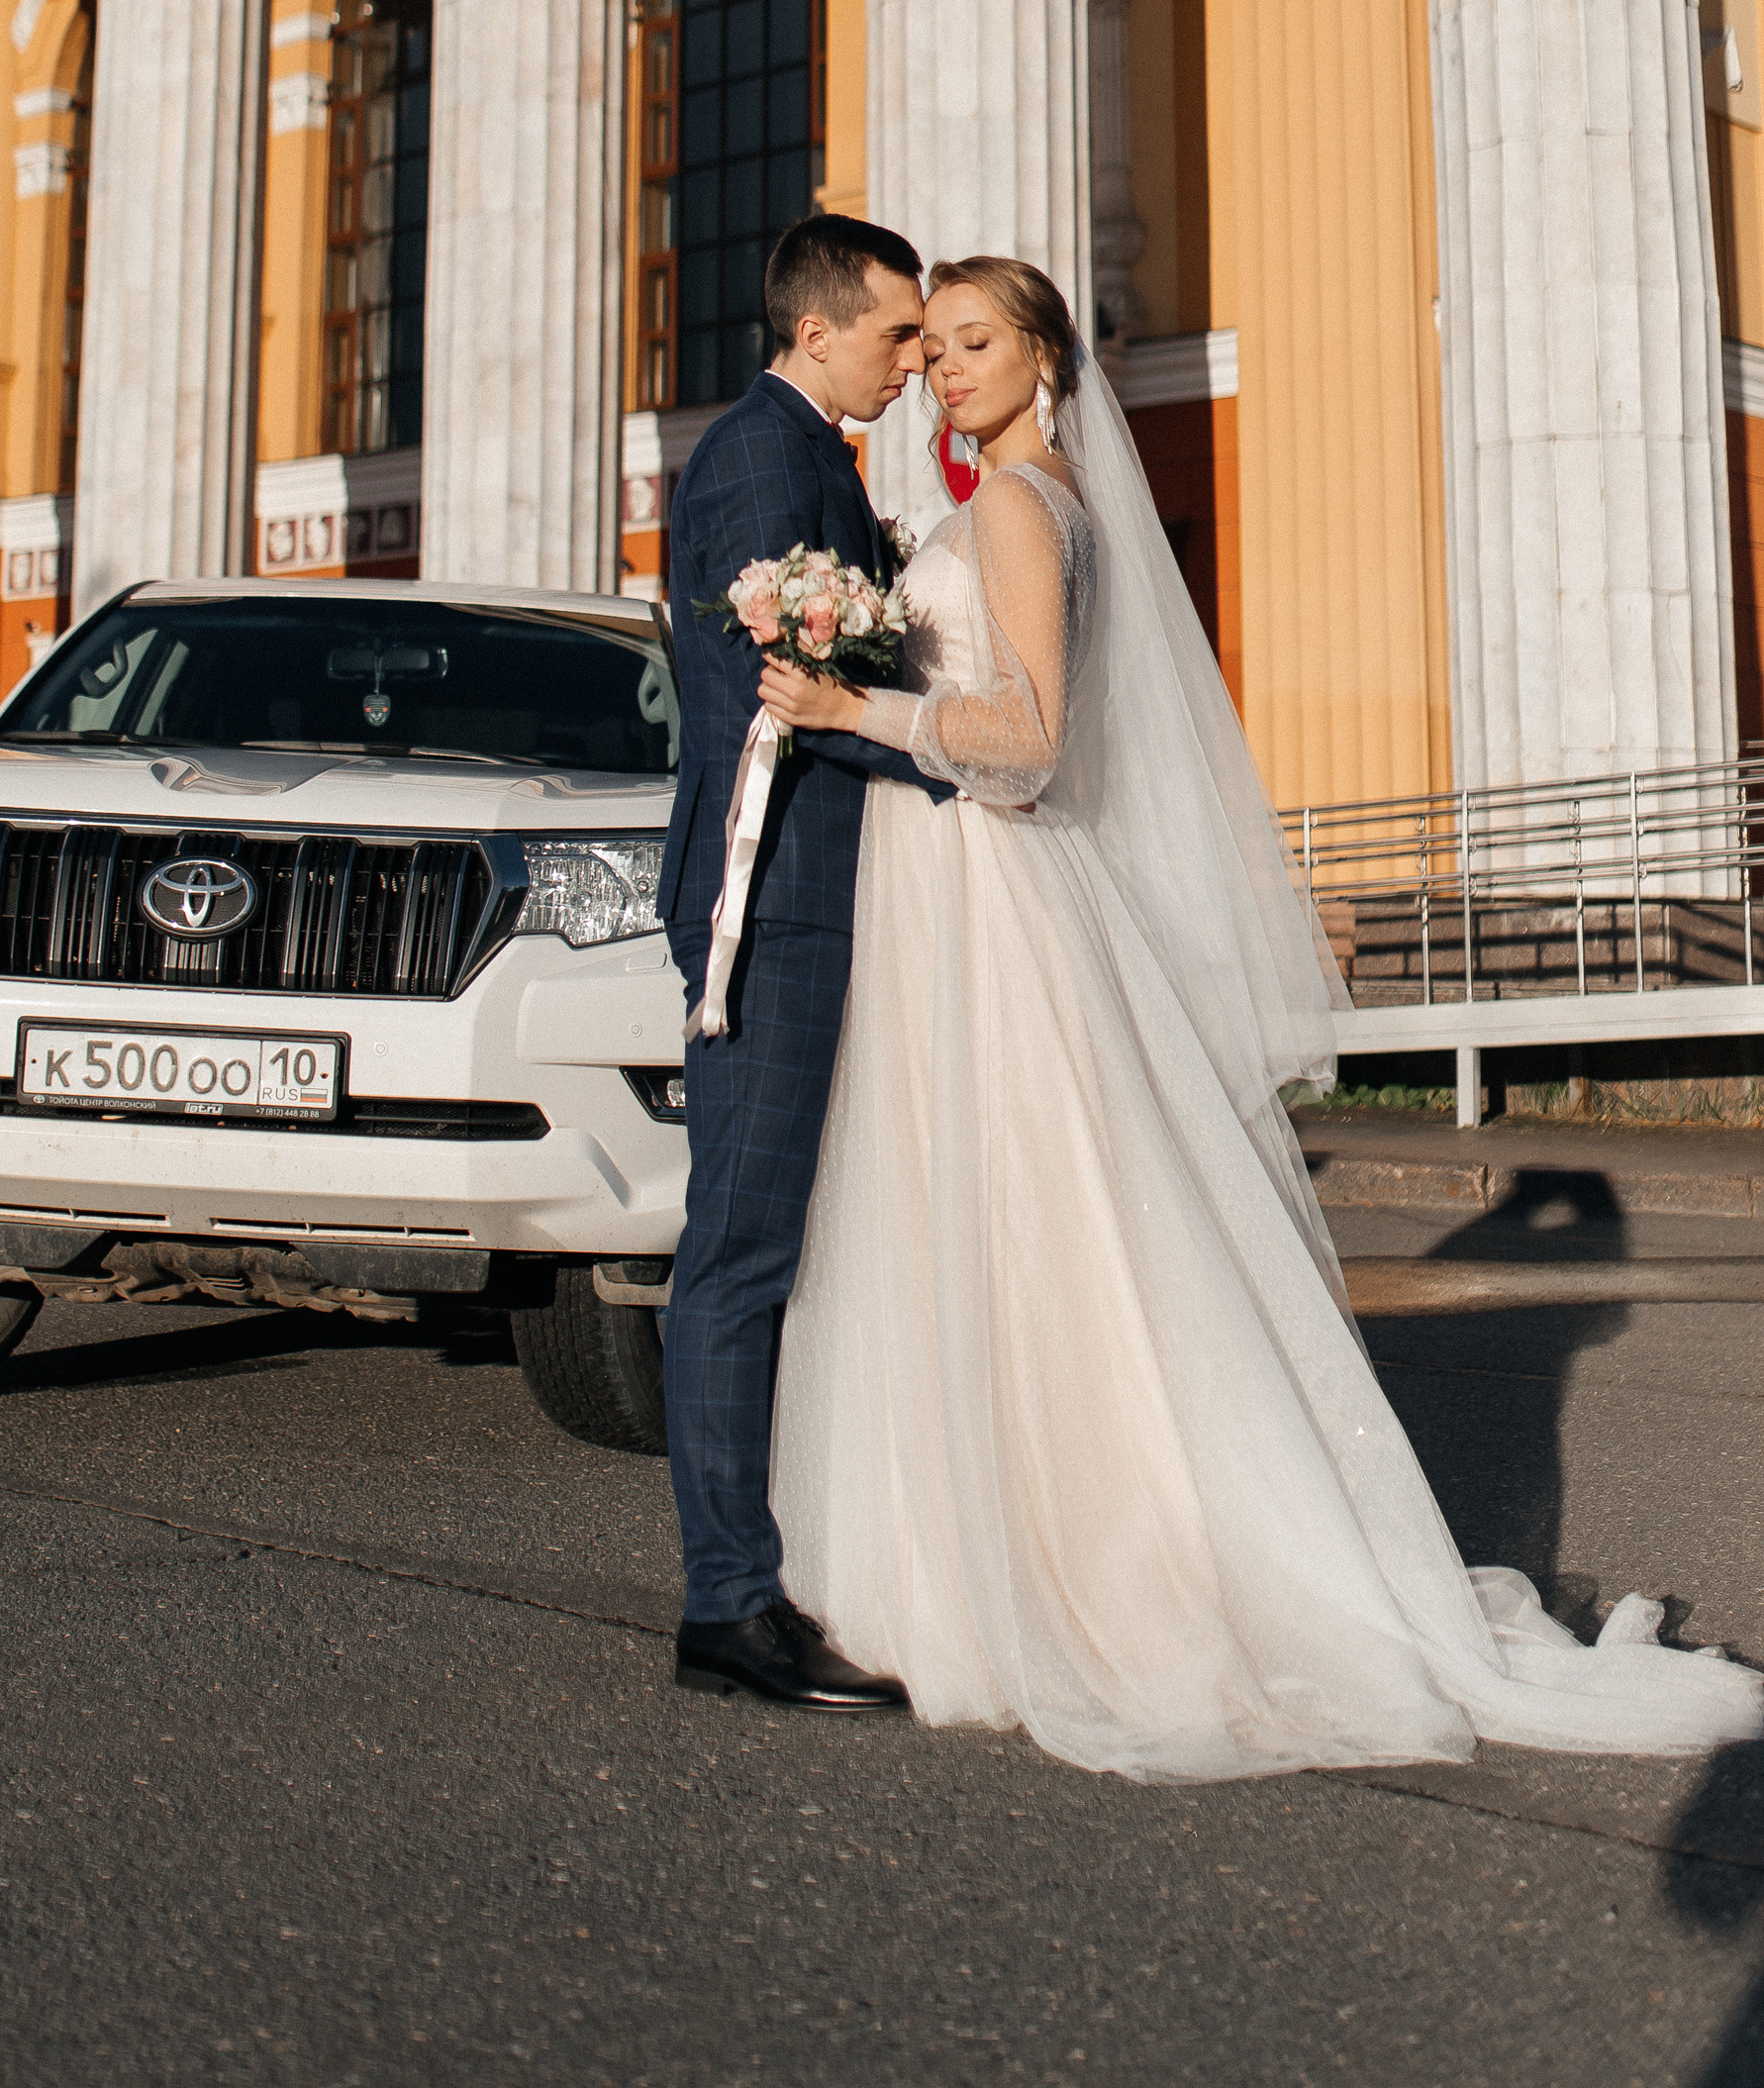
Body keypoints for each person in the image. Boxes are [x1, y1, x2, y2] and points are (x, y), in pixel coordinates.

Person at [753, 254, 1764, 1775]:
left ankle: (1054, 1570)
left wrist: (858, 705)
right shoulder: (1007, 511)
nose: (946, 370)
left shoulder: (1023, 511)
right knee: (1004, 1225)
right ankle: (985, 1555)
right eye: (935, 346)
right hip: (959, 899)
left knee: (1031, 1227)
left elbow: (1022, 745)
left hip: (994, 897)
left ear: (1043, 361)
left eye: (975, 343)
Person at [657, 212, 945, 1711]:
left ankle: (772, 1570)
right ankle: (727, 1605)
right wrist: (960, 759)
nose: (915, 357)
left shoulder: (806, 451)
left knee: (780, 1245)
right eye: (898, 331)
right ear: (818, 329)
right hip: (771, 902)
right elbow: (791, 692)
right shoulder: (771, 459)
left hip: (812, 893)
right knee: (741, 1250)